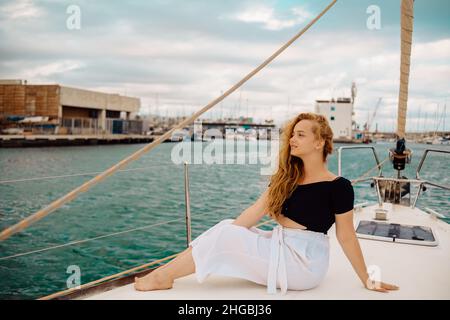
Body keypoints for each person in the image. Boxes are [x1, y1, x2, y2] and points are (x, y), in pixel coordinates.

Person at [134, 112, 399, 294]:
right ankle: (164, 274)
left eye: (301, 135)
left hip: (305, 262)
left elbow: (346, 236)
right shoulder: (287, 178)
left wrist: (367, 278)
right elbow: (253, 213)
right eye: (293, 134)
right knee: (227, 226)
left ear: (320, 142)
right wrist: (223, 237)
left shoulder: (339, 186)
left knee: (226, 233)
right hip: (280, 245)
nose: (293, 139)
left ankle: (162, 276)